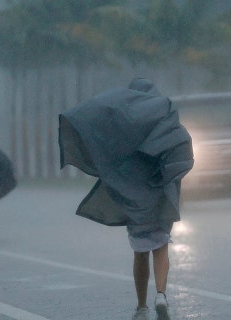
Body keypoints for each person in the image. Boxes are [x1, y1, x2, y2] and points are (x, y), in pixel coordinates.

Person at [58, 78, 194, 320]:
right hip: (162, 194)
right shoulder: (164, 112)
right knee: (161, 246)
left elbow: (107, 148)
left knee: (140, 251)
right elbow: (179, 147)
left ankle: (141, 307)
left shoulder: (124, 123)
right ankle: (161, 295)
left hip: (135, 197)